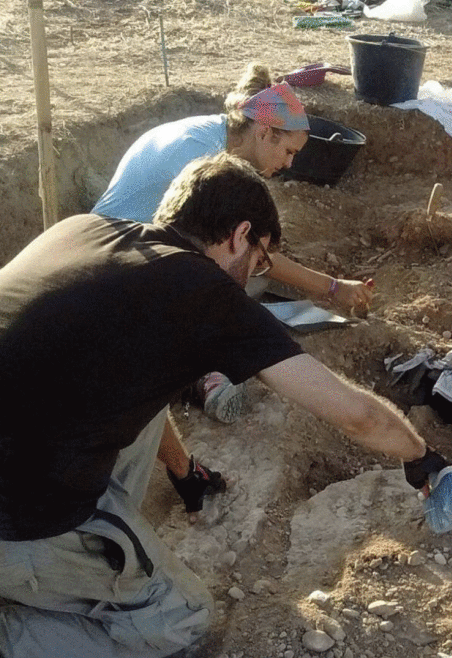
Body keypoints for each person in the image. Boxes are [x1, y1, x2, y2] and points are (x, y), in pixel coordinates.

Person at [0, 153, 450, 658]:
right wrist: (420, 454)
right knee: (182, 617)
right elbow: (359, 418)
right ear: (241, 234)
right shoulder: (205, 294)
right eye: (261, 261)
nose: (254, 276)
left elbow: (139, 395)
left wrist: (184, 471)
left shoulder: (85, 229)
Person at [92, 63, 375, 517]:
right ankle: (203, 376)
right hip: (120, 267)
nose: (289, 164)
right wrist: (331, 288)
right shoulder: (203, 161)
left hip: (118, 250)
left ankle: (183, 464)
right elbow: (247, 252)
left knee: (242, 271)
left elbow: (249, 248)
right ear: (264, 132)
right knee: (231, 278)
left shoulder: (214, 136)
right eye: (288, 150)